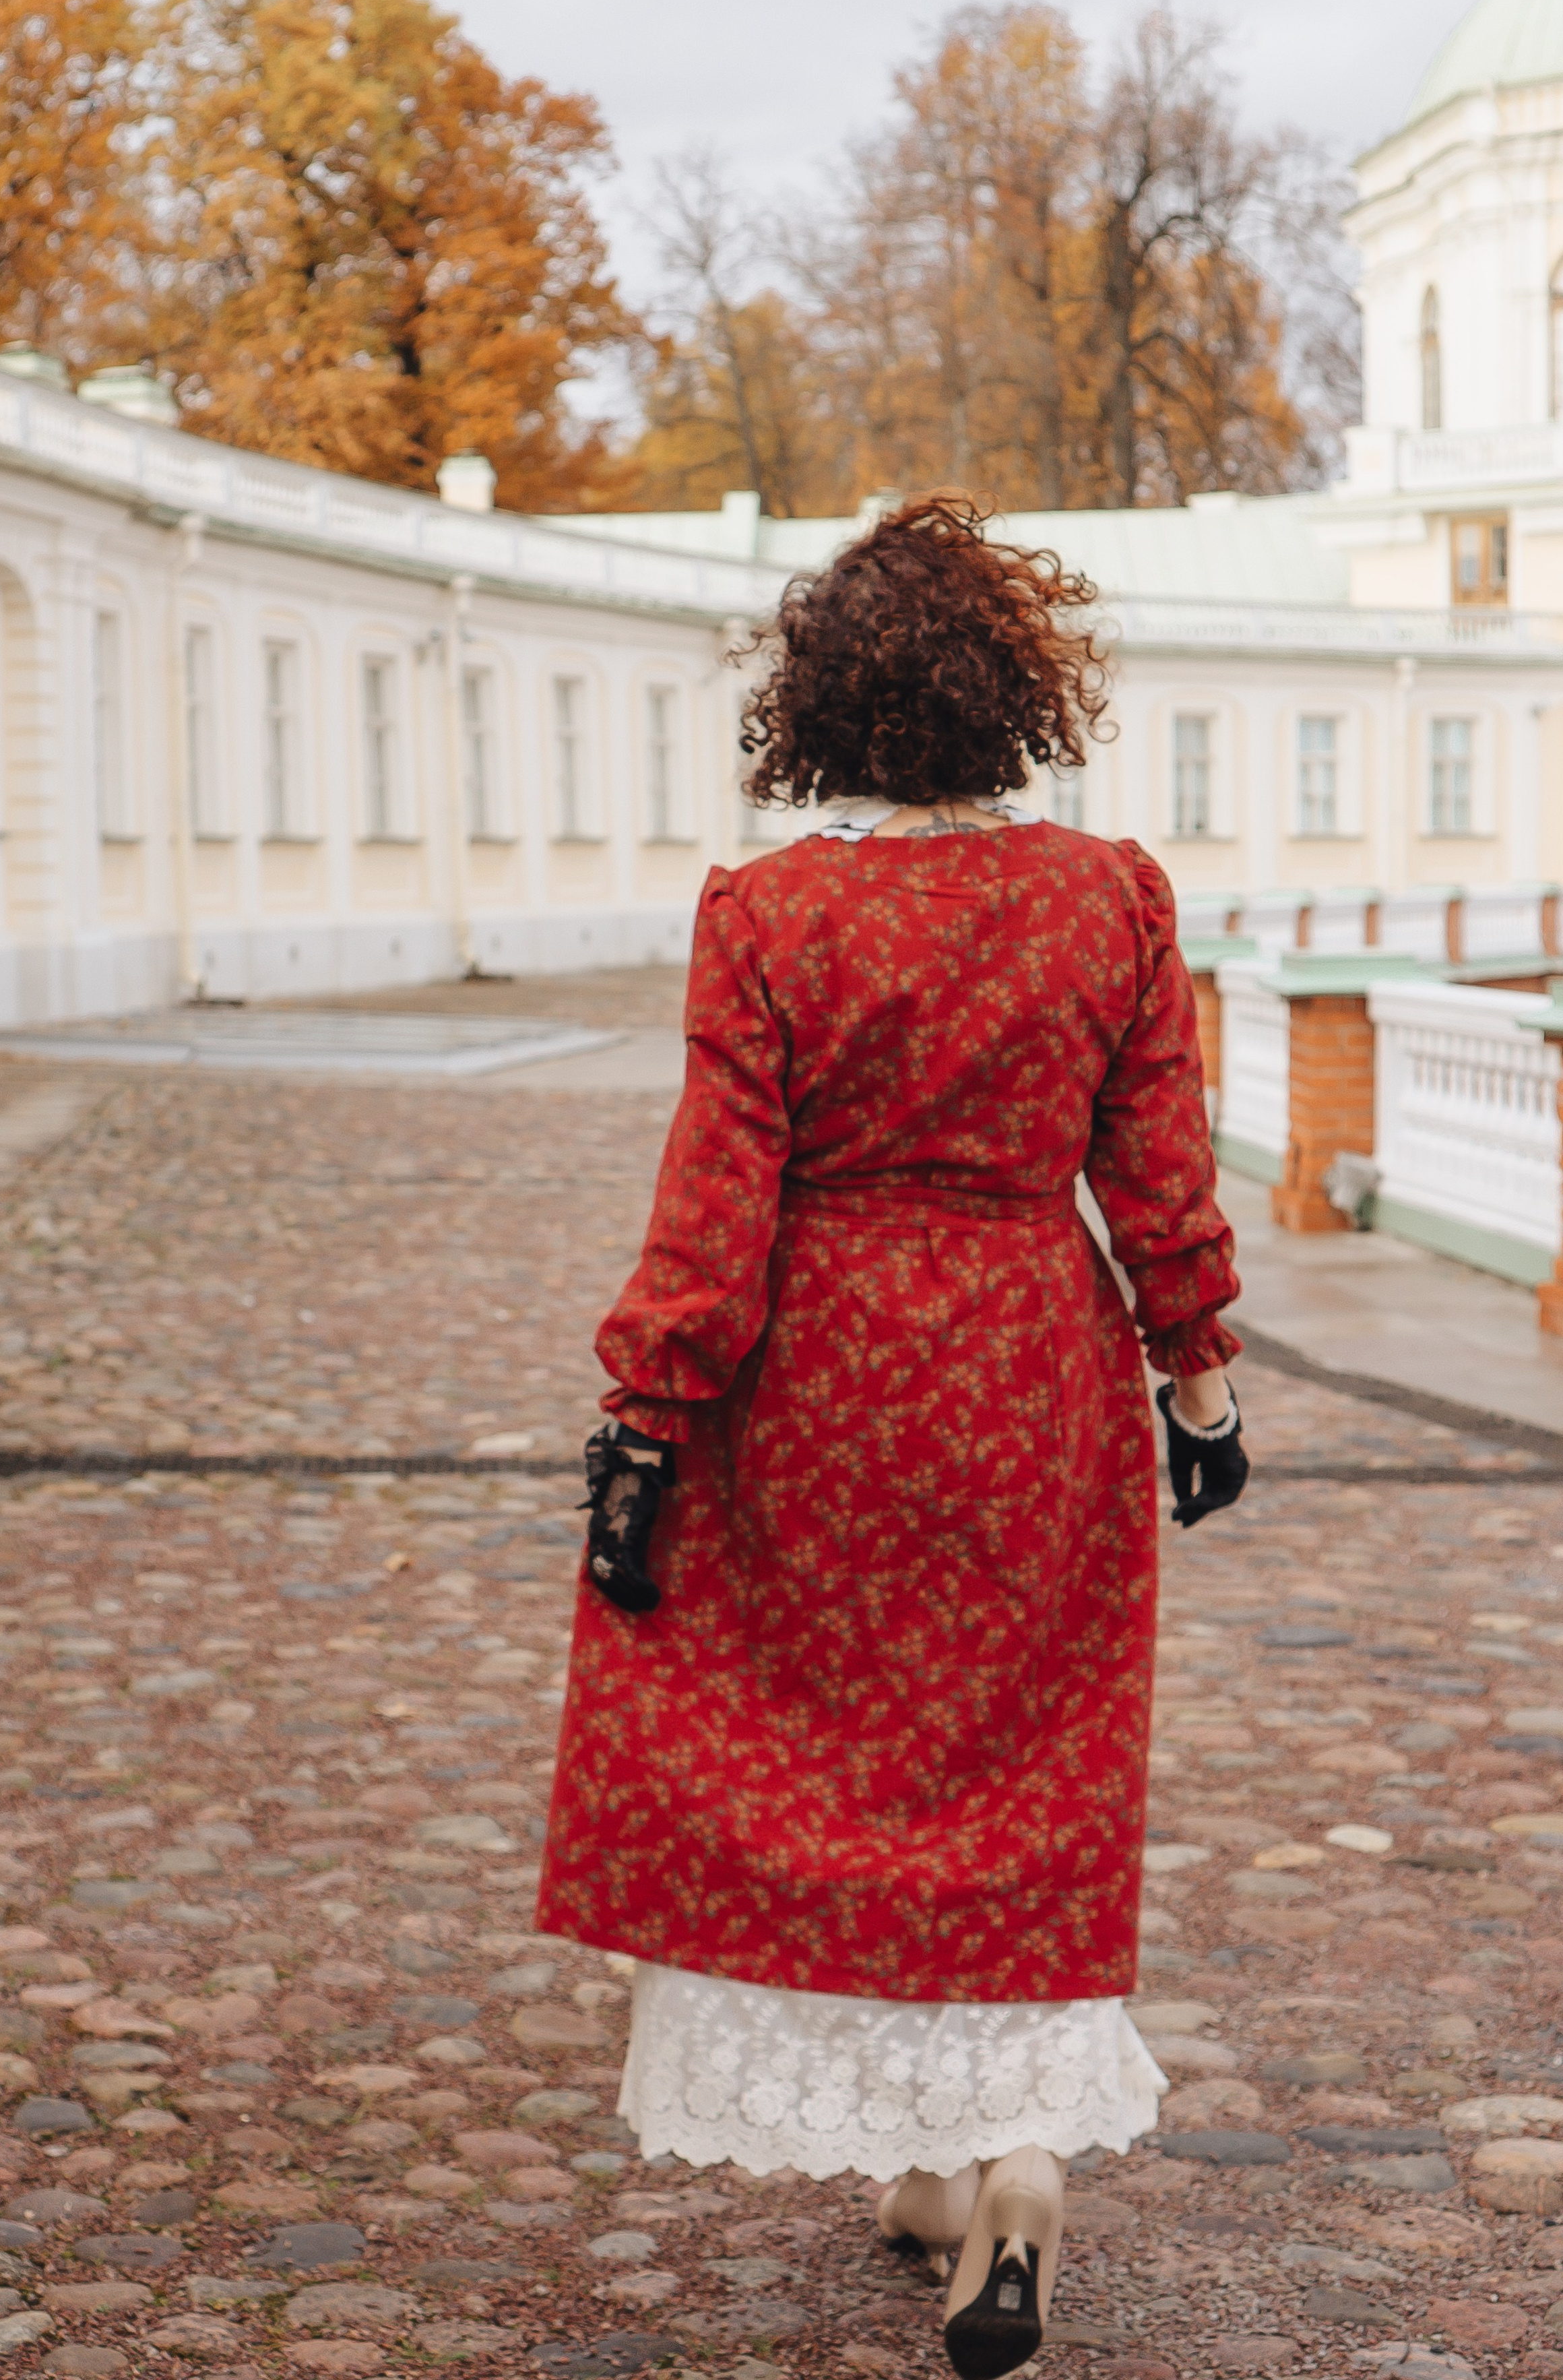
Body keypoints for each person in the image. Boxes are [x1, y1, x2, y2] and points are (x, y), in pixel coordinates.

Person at [536, 495, 1249, 2379]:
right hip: (1038, 1365)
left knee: (830, 1766)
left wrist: (647, 1424)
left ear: (819, 708)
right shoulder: (1111, 899)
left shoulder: (771, 913)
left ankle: (938, 2156)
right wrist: (1200, 1374)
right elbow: (1158, 1166)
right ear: (1017, 694)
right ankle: (999, 2166)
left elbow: (715, 1203)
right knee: (1025, 1765)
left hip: (824, 1378)